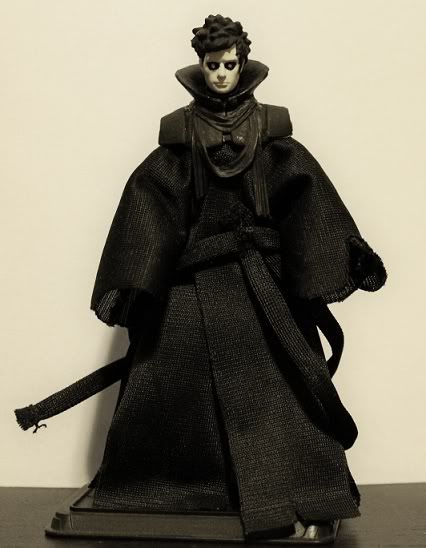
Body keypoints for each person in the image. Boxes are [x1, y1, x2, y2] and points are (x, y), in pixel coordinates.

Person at [16, 15, 386, 540]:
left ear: (243, 63)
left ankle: (306, 495)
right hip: (190, 292)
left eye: (229, 64)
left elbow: (305, 194)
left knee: (285, 392)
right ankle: (162, 492)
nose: (221, 74)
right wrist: (136, 280)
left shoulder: (273, 135)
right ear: (201, 65)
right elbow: (151, 203)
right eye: (213, 65)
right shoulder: (179, 139)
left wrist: (330, 259)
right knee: (165, 388)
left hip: (262, 292)